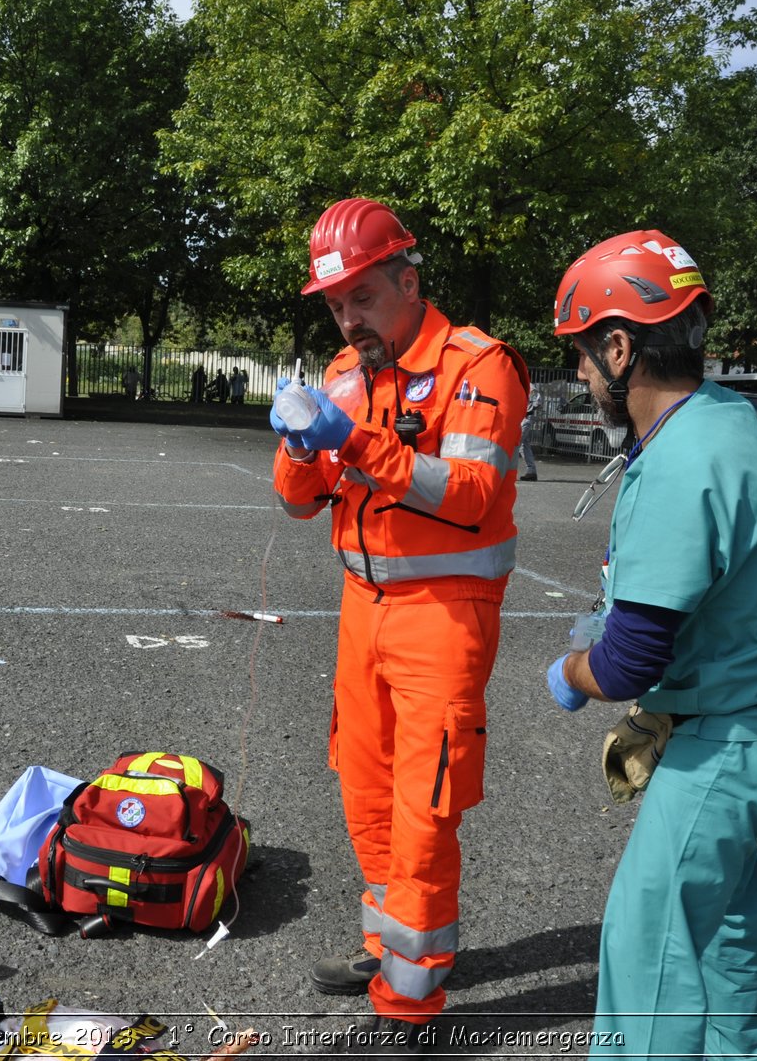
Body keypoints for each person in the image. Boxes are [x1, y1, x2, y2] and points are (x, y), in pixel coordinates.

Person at [544, 230, 757, 1059]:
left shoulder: (677, 465)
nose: (578, 375)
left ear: (620, 346)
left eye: (580, 355)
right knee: (724, 920)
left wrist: (570, 670)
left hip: (735, 735)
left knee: (651, 939)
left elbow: (630, 659)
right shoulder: (727, 416)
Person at [269, 197, 528, 1052]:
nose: (349, 316)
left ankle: (409, 1007)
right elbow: (296, 504)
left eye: (363, 295)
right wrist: (301, 446)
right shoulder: (346, 371)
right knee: (365, 793)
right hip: (360, 611)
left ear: (409, 281)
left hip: (442, 619)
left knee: (423, 808)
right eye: (337, 302)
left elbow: (471, 496)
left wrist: (359, 444)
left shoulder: (478, 367)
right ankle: (390, 950)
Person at [518, 382, 541, 481]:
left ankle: (506, 471)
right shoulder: (518, 383)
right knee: (523, 445)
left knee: (515, 444)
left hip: (526, 417)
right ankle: (531, 471)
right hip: (521, 417)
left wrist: (529, 409)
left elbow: (538, 401)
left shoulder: (529, 386)